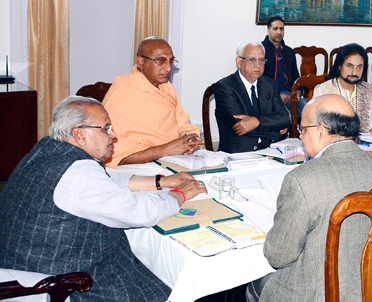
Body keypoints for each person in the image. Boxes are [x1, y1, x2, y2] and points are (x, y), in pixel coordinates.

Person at [0, 96, 207, 301]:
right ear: (79, 135)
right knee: (171, 285)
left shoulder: (48, 151)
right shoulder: (78, 173)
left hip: (22, 266)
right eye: (106, 128)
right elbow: (141, 213)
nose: (113, 135)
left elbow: (106, 178)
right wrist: (180, 194)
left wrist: (161, 181)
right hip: (63, 283)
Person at [247, 94, 372, 302]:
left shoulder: (302, 179)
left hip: (319, 293)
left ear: (320, 131)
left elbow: (279, 256)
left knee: (255, 286)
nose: (300, 136)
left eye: (302, 129)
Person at [103, 37, 203, 168]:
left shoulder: (166, 87)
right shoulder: (123, 91)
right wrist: (166, 149)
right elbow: (113, 154)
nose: (168, 68)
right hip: (131, 167)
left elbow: (182, 124)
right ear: (141, 62)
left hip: (172, 159)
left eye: (171, 61)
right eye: (160, 61)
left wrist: (189, 140)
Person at [214, 40, 290, 153]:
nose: (258, 65)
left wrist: (257, 121)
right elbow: (241, 127)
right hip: (239, 152)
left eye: (261, 60)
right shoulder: (225, 87)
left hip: (268, 149)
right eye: (251, 60)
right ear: (239, 62)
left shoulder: (270, 85)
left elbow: (284, 118)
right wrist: (275, 130)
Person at [314, 43, 372, 134]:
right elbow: (315, 125)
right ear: (339, 66)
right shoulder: (323, 90)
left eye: (359, 67)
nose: (354, 72)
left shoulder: (368, 90)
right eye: (349, 66)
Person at [261, 16, 303, 119]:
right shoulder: (260, 50)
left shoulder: (288, 51)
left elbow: (296, 76)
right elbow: (258, 80)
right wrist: (277, 96)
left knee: (311, 114)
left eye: (281, 29)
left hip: (289, 94)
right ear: (268, 30)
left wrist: (298, 91)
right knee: (285, 118)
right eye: (275, 29)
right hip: (270, 96)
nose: (279, 32)